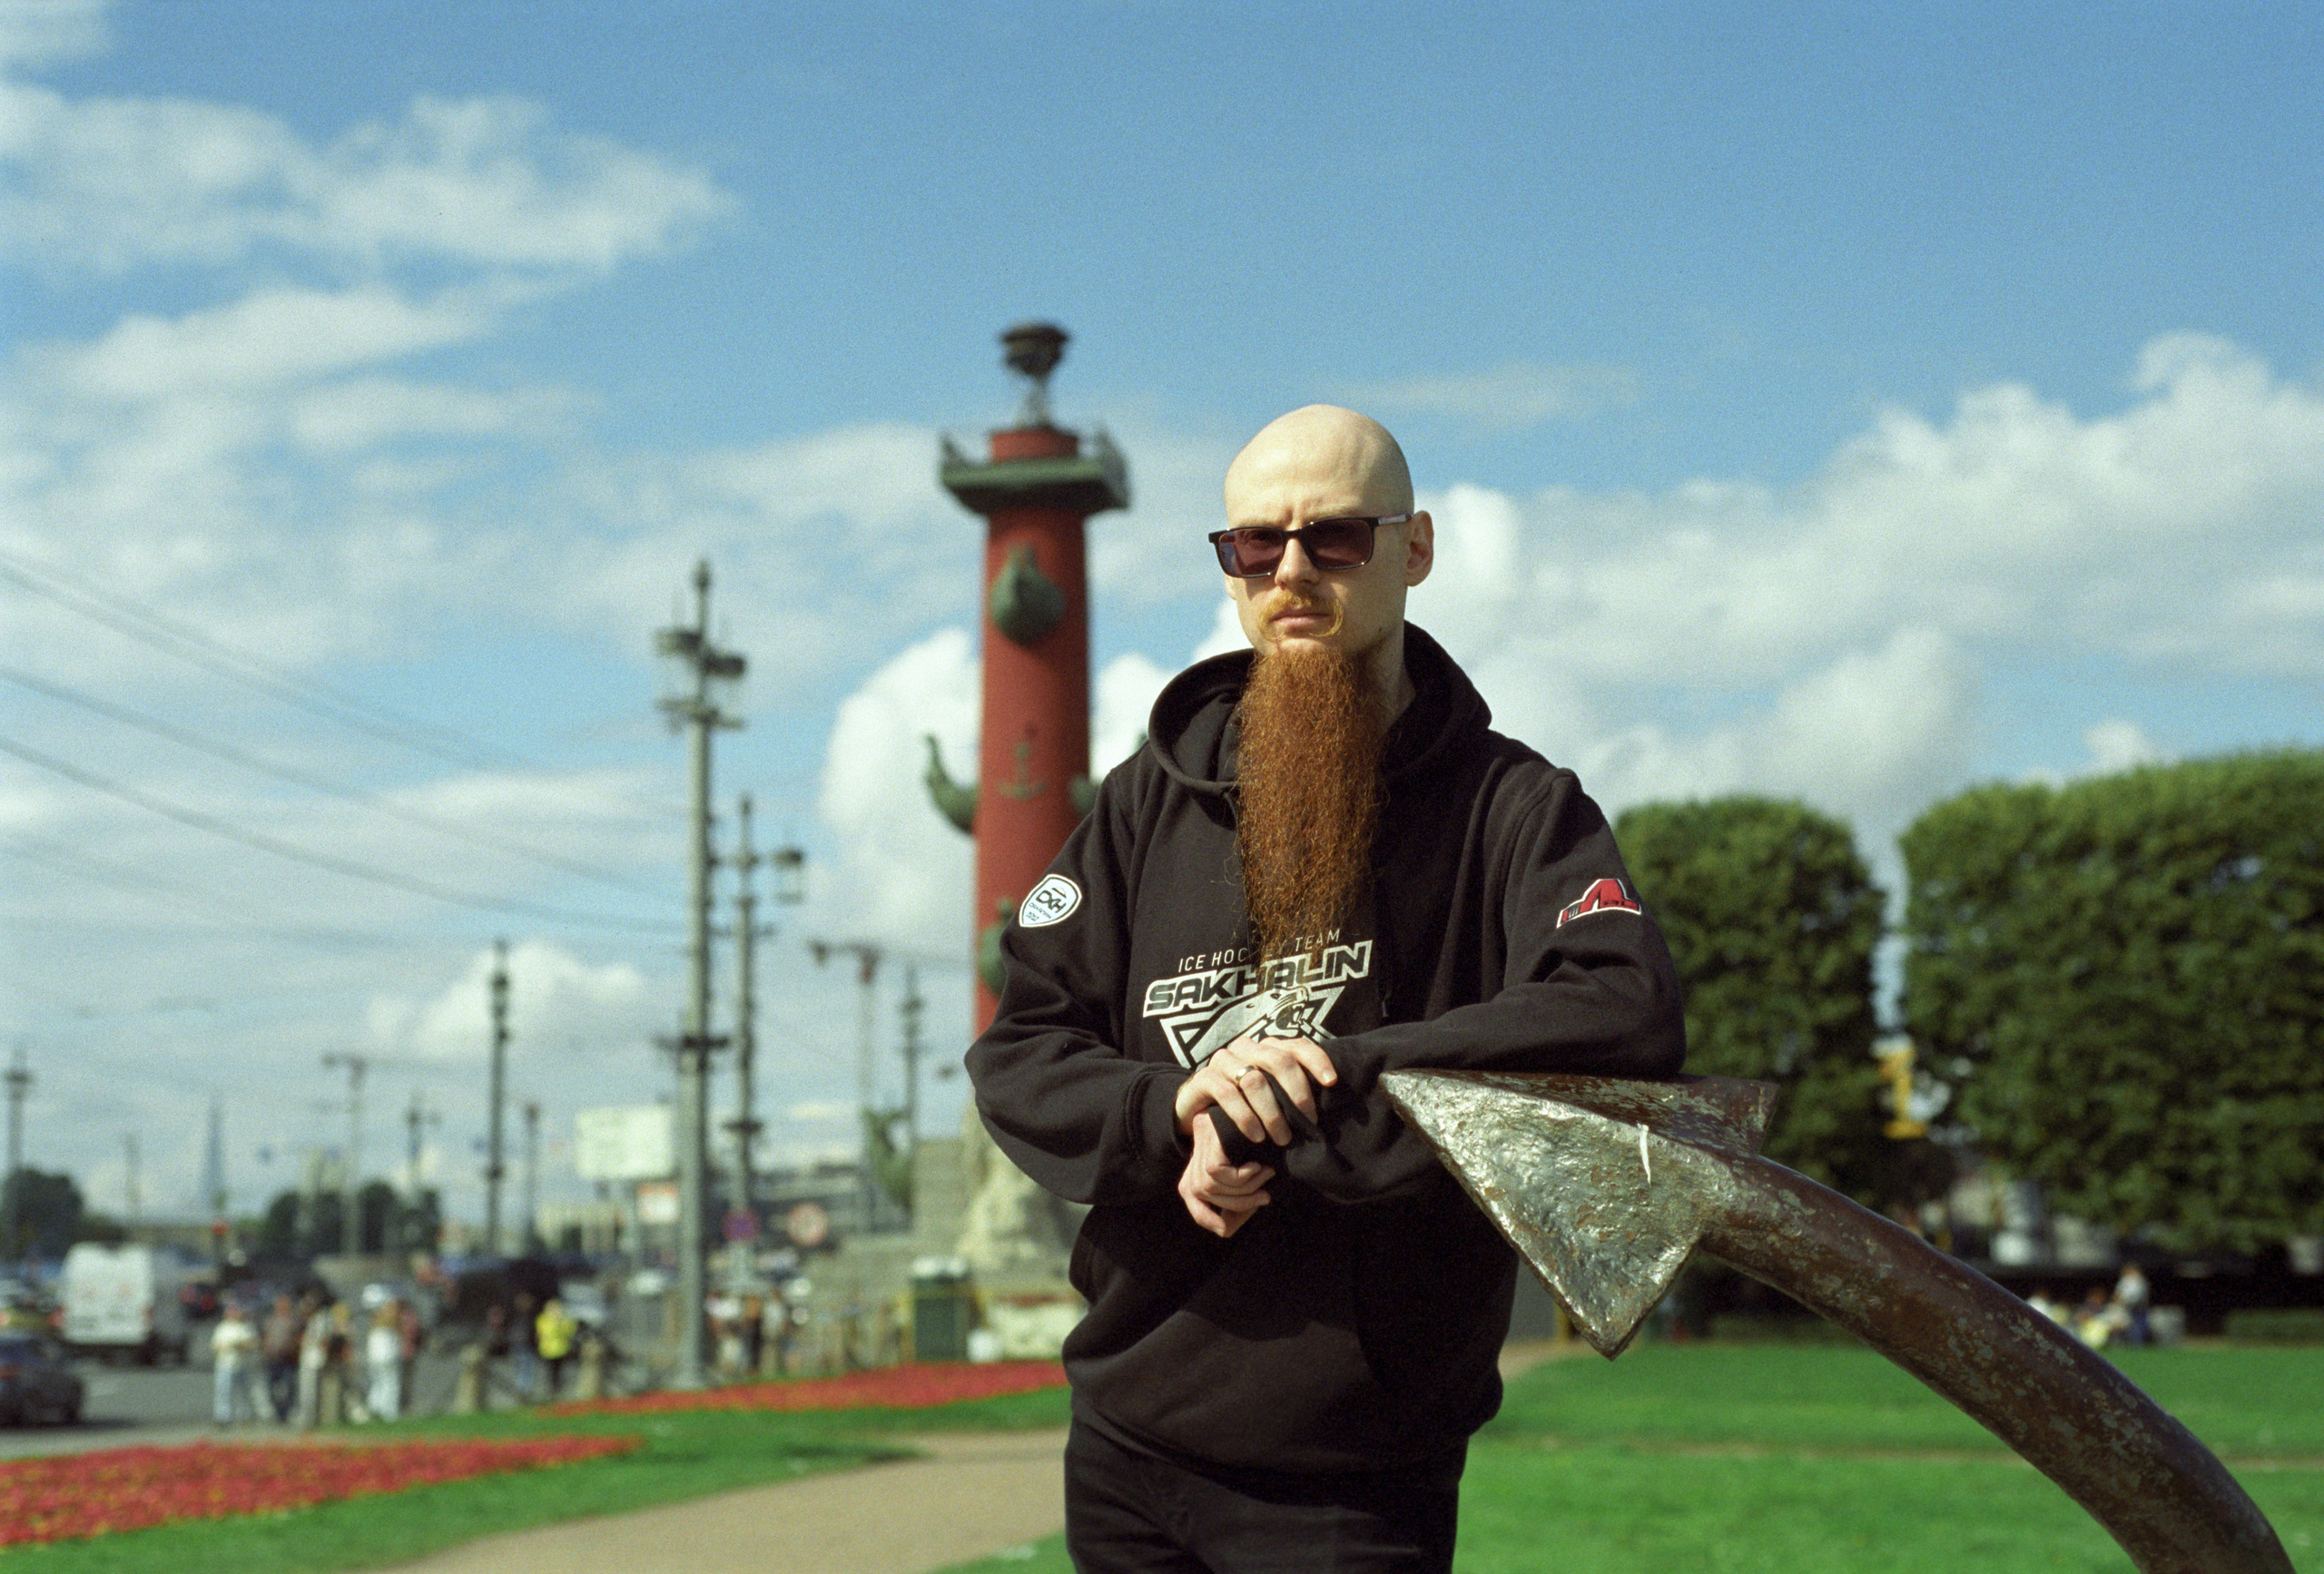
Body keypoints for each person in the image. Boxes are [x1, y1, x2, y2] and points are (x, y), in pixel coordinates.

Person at [967, 406, 1686, 1573]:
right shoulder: (1144, 804)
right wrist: (1181, 1110)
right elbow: (1023, 1048)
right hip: (1124, 1445)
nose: (1290, 571)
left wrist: (1324, 1083)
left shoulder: (1513, 809)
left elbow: (1619, 1006)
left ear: (1415, 551)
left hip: (1358, 1476)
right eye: (1255, 545)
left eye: (1335, 539)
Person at [209, 1301, 258, 1427]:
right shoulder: (222, 1328)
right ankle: (223, 1417)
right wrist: (227, 1346)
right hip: (225, 1364)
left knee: (243, 1392)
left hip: (241, 1364)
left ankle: (245, 1416)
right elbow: (215, 1346)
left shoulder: (245, 1327)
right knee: (223, 1392)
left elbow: (251, 1344)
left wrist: (238, 1345)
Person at [260, 1293, 301, 1422]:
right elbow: (264, 1337)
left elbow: (299, 1337)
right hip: (272, 1359)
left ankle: (286, 1413)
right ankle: (278, 1412)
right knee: (271, 1388)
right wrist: (265, 1351)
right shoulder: (270, 1320)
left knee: (289, 1387)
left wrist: (294, 1350)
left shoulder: (294, 1320)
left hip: (288, 1359)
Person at [365, 1302, 403, 1422]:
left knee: (378, 1384)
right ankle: (388, 1413)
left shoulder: (375, 1329)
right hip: (387, 1359)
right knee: (390, 1384)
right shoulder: (388, 1328)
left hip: (376, 1360)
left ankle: (375, 1409)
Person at [535, 1296, 577, 1399]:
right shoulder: (543, 1319)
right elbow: (542, 1333)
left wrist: (559, 1323)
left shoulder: (565, 1320)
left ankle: (558, 1392)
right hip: (547, 1351)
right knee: (548, 1373)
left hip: (561, 1350)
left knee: (560, 1373)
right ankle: (550, 1392)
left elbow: (570, 1332)